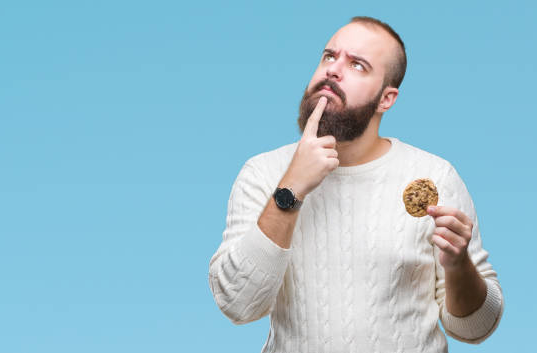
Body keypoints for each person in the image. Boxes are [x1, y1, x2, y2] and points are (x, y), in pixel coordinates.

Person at [207, 16, 504, 353]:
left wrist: (459, 266)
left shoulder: (435, 175)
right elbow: (238, 305)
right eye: (329, 56)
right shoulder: (263, 172)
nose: (333, 70)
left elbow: (476, 329)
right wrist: (291, 187)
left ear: (386, 99)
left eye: (358, 65)